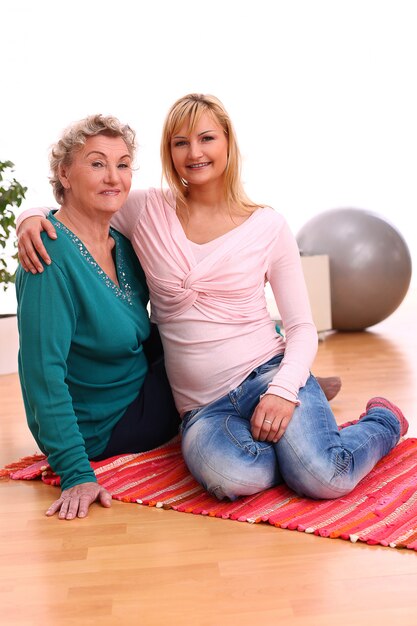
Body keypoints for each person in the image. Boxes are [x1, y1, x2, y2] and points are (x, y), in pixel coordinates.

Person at [17, 94, 408, 502]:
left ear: (227, 143)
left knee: (325, 477)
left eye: (207, 138)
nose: (195, 152)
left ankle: (379, 420)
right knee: (238, 478)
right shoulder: (147, 209)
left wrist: (285, 387)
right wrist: (30, 218)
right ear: (169, 151)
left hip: (265, 372)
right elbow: (80, 208)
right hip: (201, 406)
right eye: (180, 142)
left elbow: (302, 327)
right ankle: (304, 431)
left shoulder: (268, 226)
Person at [15, 115, 180, 520]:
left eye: (123, 164)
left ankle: (271, 365)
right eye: (97, 163)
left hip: (133, 383)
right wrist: (76, 473)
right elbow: (42, 375)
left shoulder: (121, 243)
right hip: (106, 425)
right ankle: (267, 374)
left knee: (197, 327)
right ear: (64, 173)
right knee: (209, 362)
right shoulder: (47, 259)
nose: (114, 177)